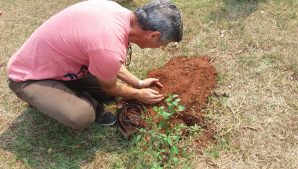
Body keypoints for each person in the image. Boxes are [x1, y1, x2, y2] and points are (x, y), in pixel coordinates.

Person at [7, 0, 183, 130]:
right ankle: (41, 96)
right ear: (153, 35)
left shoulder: (118, 13)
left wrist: (138, 83)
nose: (161, 48)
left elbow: (106, 59)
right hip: (28, 76)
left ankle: (61, 93)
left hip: (57, 64)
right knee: (82, 116)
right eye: (163, 44)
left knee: (106, 94)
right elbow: (110, 81)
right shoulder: (109, 43)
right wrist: (138, 94)